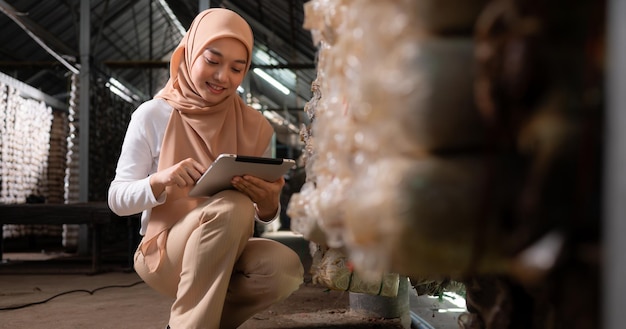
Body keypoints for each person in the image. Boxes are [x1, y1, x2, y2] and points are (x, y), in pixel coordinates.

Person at [107, 8, 304, 329]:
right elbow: (116, 199)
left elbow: (264, 215)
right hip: (164, 253)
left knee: (284, 269)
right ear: (189, 53)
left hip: (226, 249)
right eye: (212, 61)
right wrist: (159, 181)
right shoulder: (153, 115)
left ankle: (191, 323)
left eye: (237, 68)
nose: (223, 77)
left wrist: (269, 204)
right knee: (232, 204)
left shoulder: (256, 127)